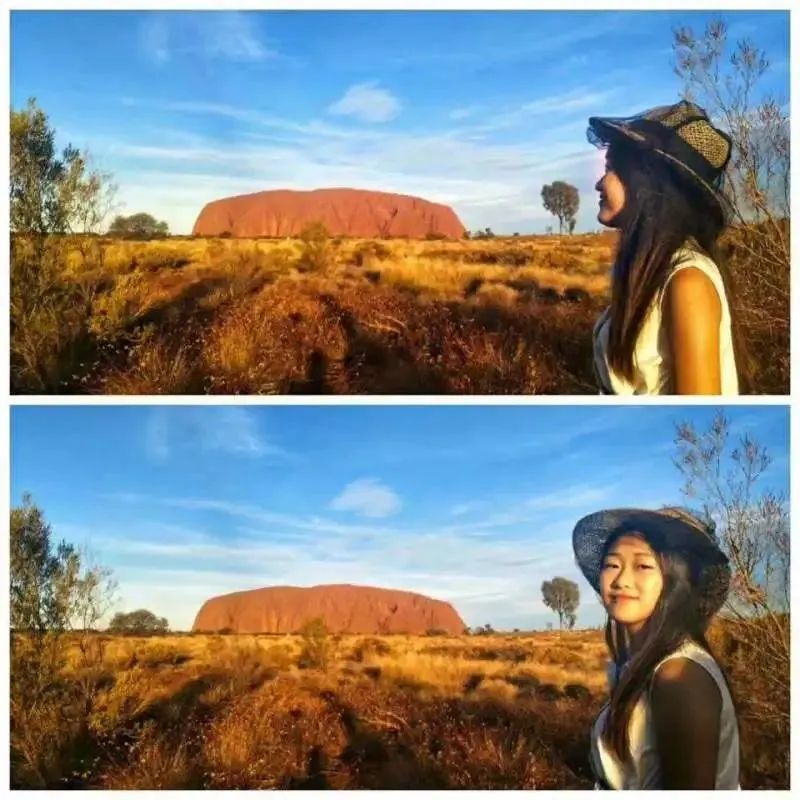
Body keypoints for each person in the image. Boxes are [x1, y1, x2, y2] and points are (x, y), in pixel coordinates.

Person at [587, 100, 749, 394]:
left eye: (611, 168)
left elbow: (698, 415)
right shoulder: (652, 270)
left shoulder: (688, 282)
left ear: (645, 181)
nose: (599, 183)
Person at [571, 506, 740, 789]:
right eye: (612, 565)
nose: (621, 580)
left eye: (643, 566)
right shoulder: (642, 662)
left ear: (676, 580)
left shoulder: (678, 676)